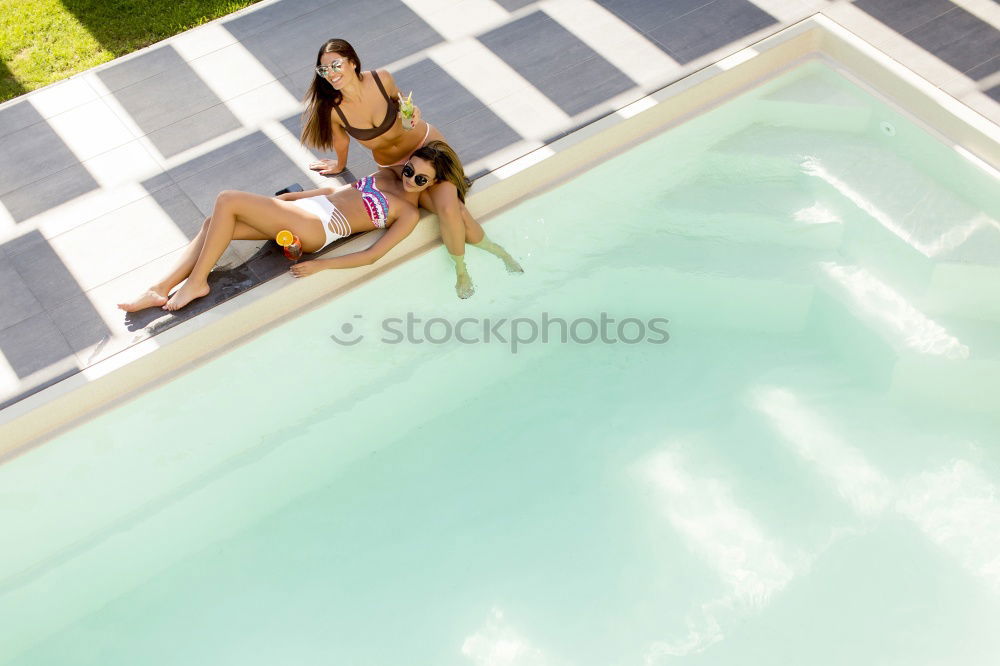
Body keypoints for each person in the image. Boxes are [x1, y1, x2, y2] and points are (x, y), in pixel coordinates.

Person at [118, 142, 460, 313]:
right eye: (410, 169)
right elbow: (335, 192)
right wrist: (285, 203)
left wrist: (322, 264)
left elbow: (372, 255)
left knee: (227, 199)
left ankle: (197, 282)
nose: (411, 178)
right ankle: (160, 288)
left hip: (320, 228)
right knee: (216, 222)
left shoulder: (408, 213)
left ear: (433, 183)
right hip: (309, 209)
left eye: (421, 178)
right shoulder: (387, 174)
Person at [300, 38, 521, 298]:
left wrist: (413, 110)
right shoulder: (334, 110)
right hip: (396, 167)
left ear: (353, 62)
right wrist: (338, 165)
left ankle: (466, 267)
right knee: (454, 209)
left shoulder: (381, 79)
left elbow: (402, 102)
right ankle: (485, 255)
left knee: (451, 208)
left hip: (427, 147)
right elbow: (341, 141)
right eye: (323, 70)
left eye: (335, 64)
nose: (331, 73)